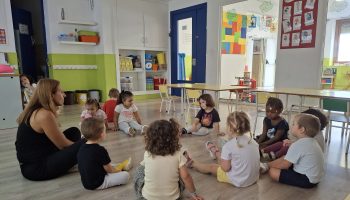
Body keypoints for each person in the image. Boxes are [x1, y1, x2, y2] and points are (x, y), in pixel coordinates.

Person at [15, 78, 85, 181]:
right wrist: (83, 147)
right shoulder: (44, 114)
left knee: (74, 131)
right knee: (87, 143)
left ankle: (73, 162)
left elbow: (57, 139)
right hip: (36, 169)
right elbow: (63, 145)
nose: (64, 95)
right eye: (61, 92)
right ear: (51, 95)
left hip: (38, 158)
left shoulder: (37, 109)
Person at [185, 111, 260, 188]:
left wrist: (220, 157)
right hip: (254, 179)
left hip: (238, 180)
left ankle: (193, 163)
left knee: (212, 167)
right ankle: (217, 153)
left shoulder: (228, 146)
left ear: (230, 128)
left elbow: (225, 168)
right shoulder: (254, 142)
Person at [134, 118, 203, 200]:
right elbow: (186, 177)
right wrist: (193, 193)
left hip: (147, 198)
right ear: (173, 138)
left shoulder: (147, 153)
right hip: (173, 198)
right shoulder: (178, 154)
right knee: (180, 175)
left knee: (139, 170)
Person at [260, 113, 324, 188]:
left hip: (306, 179)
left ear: (302, 129)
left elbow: (284, 165)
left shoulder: (298, 145)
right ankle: (266, 165)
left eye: (293, 124)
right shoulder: (313, 142)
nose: (291, 126)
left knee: (273, 171)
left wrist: (274, 166)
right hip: (315, 178)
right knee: (285, 157)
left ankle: (266, 166)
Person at [77, 117, 131, 190]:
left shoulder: (82, 147)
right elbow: (110, 170)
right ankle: (121, 166)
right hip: (98, 183)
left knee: (106, 163)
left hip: (86, 182)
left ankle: (118, 165)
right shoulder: (100, 150)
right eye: (105, 131)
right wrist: (118, 170)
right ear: (102, 135)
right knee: (126, 176)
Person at [261, 108, 328, 160]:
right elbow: (300, 143)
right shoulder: (312, 132)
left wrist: (291, 143)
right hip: (299, 152)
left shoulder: (315, 138)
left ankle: (274, 156)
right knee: (282, 143)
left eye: (294, 124)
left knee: (286, 147)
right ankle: (263, 151)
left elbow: (301, 148)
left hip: (300, 159)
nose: (292, 125)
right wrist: (290, 142)